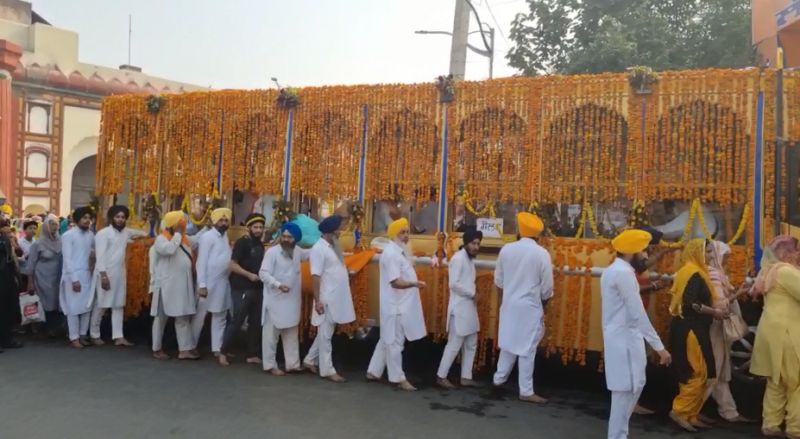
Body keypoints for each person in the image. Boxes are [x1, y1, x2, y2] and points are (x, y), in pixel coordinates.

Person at [601, 229, 672, 439]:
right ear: (633, 252)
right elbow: (638, 313)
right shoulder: (622, 274)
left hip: (623, 338)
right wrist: (660, 348)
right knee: (626, 390)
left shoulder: (615, 270)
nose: (646, 256)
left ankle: (619, 434)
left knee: (632, 387)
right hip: (625, 341)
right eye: (644, 252)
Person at [491, 212, 553, 404]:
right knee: (527, 348)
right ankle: (526, 390)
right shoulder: (542, 254)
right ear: (538, 236)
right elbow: (547, 289)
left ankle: (498, 380)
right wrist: (544, 306)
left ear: (519, 231)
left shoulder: (507, 250)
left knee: (509, 345)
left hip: (509, 306)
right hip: (530, 308)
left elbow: (499, 282)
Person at [668, 239, 725, 431]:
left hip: (696, 327)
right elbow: (690, 304)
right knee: (696, 371)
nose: (710, 256)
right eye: (707, 252)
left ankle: (691, 414)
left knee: (704, 371)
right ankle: (679, 411)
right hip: (690, 329)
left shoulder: (697, 271)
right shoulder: (692, 273)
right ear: (696, 253)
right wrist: (714, 312)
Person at [366, 217, 427, 391]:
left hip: (399, 304)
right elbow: (395, 282)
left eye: (408, 232)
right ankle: (398, 378)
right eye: (403, 232)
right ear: (394, 235)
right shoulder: (392, 254)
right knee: (395, 342)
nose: (406, 235)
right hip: (396, 306)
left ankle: (373, 371)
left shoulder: (398, 251)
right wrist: (414, 284)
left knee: (387, 338)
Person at [750, 235, 800, 438]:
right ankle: (796, 428)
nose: (798, 255)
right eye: (796, 250)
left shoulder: (769, 269)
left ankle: (770, 425)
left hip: (772, 331)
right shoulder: (786, 271)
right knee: (796, 381)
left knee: (776, 381)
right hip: (786, 332)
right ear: (786, 253)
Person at [302, 214, 355, 383]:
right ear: (330, 232)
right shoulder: (319, 248)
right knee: (325, 336)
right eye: (338, 229)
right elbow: (315, 276)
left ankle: (309, 360)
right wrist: (318, 300)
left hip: (336, 297)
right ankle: (327, 370)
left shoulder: (332, 246)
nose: (340, 232)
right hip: (326, 298)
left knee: (326, 333)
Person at [703, 240, 750, 423]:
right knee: (715, 368)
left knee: (720, 369)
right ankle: (687, 409)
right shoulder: (713, 274)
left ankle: (729, 411)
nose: (727, 261)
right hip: (715, 326)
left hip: (718, 327)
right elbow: (719, 304)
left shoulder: (717, 273)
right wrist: (738, 294)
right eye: (725, 257)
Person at [631, 225, 675, 415]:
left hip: (641, 308)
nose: (650, 252)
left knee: (641, 356)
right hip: (635, 313)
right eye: (650, 247)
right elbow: (634, 285)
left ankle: (633, 401)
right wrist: (654, 286)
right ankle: (632, 403)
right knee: (637, 358)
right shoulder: (632, 259)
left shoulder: (635, 258)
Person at [89, 206, 146, 346]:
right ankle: (94, 334)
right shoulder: (103, 234)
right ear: (111, 218)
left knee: (118, 305)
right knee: (101, 304)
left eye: (122, 217)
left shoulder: (125, 232)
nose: (120, 219)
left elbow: (142, 233)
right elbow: (100, 256)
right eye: (117, 217)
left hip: (120, 274)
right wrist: (103, 275)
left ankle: (118, 336)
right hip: (105, 273)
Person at [259, 222, 309, 375]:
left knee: (291, 332)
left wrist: (328, 244)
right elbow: (263, 274)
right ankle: (270, 365)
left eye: (290, 237)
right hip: (275, 299)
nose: (286, 239)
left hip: (292, 301)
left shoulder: (298, 251)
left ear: (296, 240)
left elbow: (313, 253)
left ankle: (292, 364)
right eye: (284, 236)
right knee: (271, 335)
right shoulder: (272, 252)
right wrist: (278, 284)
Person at [436, 227, 482, 389]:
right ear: (466, 243)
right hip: (459, 308)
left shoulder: (468, 259)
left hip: (469, 307)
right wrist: (472, 293)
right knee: (454, 344)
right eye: (473, 243)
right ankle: (441, 376)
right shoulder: (458, 259)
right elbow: (453, 284)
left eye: (478, 244)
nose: (476, 247)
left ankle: (466, 377)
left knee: (471, 343)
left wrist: (473, 293)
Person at [219, 213, 267, 366]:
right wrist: (249, 275)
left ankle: (252, 354)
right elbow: (232, 265)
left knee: (255, 322)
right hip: (242, 288)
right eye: (256, 227)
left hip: (258, 289)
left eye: (261, 227)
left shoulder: (260, 245)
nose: (258, 230)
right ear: (249, 228)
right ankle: (223, 352)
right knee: (237, 320)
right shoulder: (242, 243)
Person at [150, 211, 198, 360]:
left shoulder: (186, 239)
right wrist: (177, 235)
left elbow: (198, 240)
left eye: (183, 223)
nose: (183, 226)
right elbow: (169, 250)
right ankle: (156, 348)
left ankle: (184, 350)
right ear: (172, 224)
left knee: (182, 317)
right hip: (165, 286)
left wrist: (207, 227)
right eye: (180, 223)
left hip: (182, 286)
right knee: (160, 319)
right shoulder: (161, 239)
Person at [193, 208, 233, 363]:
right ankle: (190, 345)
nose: (223, 223)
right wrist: (201, 284)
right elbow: (201, 261)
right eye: (221, 220)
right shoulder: (207, 237)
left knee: (220, 315)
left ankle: (218, 348)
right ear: (214, 221)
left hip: (222, 281)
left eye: (226, 220)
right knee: (200, 315)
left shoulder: (224, 236)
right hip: (208, 282)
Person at [60, 206, 95, 349]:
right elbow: (67, 259)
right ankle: (73, 337)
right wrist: (74, 279)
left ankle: (82, 334)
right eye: (84, 218)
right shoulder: (68, 235)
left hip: (87, 274)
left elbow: (94, 251)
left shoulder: (90, 235)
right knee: (73, 308)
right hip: (72, 275)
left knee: (87, 306)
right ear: (77, 219)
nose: (87, 221)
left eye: (89, 218)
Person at [24, 214, 63, 337]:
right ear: (46, 226)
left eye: (56, 224)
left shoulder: (61, 241)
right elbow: (30, 264)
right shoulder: (38, 244)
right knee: (46, 302)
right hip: (42, 277)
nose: (55, 227)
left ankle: (55, 328)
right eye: (52, 224)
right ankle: (45, 328)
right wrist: (30, 282)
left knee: (57, 301)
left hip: (57, 276)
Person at [0, 218, 23, 351]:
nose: (7, 229)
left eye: (7, 226)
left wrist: (11, 241)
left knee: (9, 310)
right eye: (3, 226)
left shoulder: (7, 240)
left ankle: (7, 339)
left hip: (8, 279)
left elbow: (17, 255)